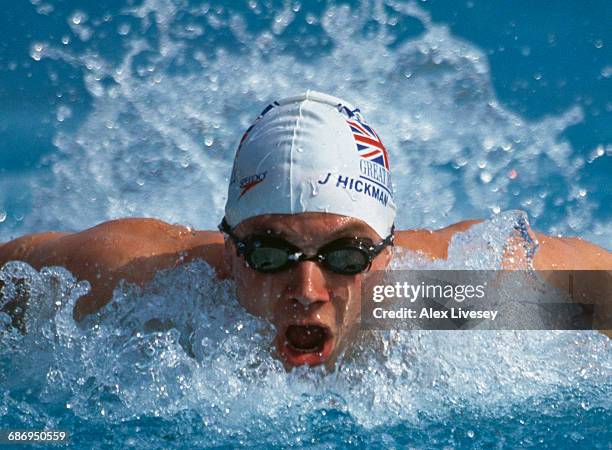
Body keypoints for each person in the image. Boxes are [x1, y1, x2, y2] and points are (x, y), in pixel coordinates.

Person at [0, 91, 610, 367]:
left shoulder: (437, 295)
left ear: (385, 252)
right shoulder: (148, 284)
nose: (308, 289)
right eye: (269, 251)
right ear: (230, 247)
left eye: (346, 254)